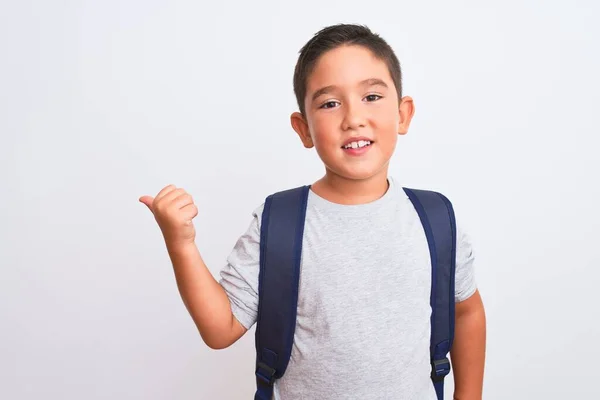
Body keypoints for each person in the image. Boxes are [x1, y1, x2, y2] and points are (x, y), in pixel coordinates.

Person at [140, 23, 486, 400]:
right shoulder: (280, 223)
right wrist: (181, 243)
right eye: (330, 103)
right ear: (303, 129)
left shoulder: (434, 218)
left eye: (371, 96)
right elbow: (221, 330)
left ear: (403, 114)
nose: (353, 117)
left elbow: (466, 312)